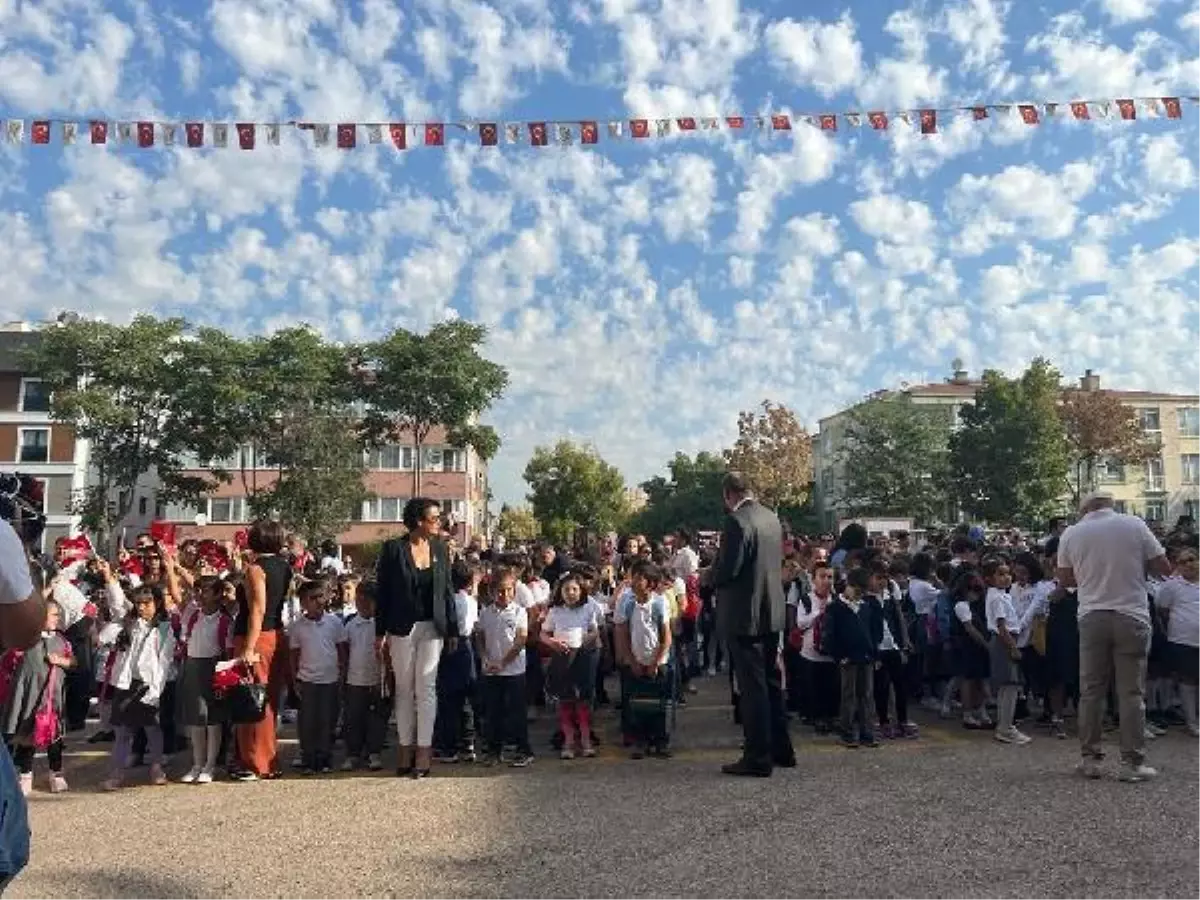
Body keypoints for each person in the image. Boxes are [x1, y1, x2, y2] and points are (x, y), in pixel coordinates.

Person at [1057, 490, 1170, 782]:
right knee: (1131, 692)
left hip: (1092, 614)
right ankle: (1132, 763)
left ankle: (1090, 759)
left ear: (1085, 510)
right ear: (1111, 505)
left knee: (1091, 690)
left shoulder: (1072, 532)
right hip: (1131, 612)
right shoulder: (1134, 524)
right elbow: (1163, 567)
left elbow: (1066, 579)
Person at [709, 472, 794, 777]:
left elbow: (729, 569)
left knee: (752, 688)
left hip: (745, 616)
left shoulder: (736, 521)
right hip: (772, 612)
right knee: (772, 682)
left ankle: (758, 756)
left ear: (728, 494)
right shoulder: (771, 517)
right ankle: (782, 749)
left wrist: (709, 576)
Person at [375, 498, 459, 779]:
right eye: (434, 518)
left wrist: (452, 629)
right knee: (404, 688)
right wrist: (380, 632)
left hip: (432, 627)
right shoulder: (393, 549)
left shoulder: (440, 549)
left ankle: (424, 749)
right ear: (419, 521)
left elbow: (447, 591)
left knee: (427, 687)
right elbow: (383, 593)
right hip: (401, 627)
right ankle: (404, 747)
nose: (439, 523)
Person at [231, 520, 291, 782]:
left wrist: (249, 646)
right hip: (276, 635)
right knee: (269, 700)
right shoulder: (285, 567)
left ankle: (255, 762)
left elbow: (257, 608)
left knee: (252, 699)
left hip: (256, 636)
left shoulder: (256, 569)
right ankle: (268, 759)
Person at [103, 585, 176, 791]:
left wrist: (155, 691)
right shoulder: (129, 623)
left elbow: (164, 662)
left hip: (148, 684)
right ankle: (117, 773)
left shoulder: (163, 628)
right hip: (126, 682)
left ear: (158, 603)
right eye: (139, 604)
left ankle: (156, 767)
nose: (142, 607)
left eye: (147, 603)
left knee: (152, 727)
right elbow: (117, 604)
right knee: (122, 730)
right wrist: (111, 580)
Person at [1, 600, 73, 795]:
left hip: (52, 698)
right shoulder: (25, 640)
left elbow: (73, 662)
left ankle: (56, 773)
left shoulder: (62, 641)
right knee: (27, 736)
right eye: (53, 614)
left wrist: (61, 661)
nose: (57, 618)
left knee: (54, 737)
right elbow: (9, 661)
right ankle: (25, 774)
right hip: (30, 697)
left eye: (58, 614)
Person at [176, 576, 232, 784]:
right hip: (193, 666)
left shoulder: (224, 620)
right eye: (198, 590)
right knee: (196, 718)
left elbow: (226, 650)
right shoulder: (193, 615)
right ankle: (197, 764)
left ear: (218, 594)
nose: (200, 595)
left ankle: (211, 764)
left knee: (213, 718)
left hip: (214, 667)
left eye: (206, 591)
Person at [288, 580, 348, 774]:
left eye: (320, 596)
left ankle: (324, 757)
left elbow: (341, 650)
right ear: (303, 602)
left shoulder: (334, 622)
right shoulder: (297, 627)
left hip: (330, 678)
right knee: (307, 721)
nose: (318, 601)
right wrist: (294, 679)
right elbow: (294, 655)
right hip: (307, 679)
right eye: (312, 598)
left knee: (327, 719)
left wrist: (343, 674)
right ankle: (308, 758)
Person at [477, 567, 532, 768]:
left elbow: (520, 640)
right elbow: (480, 636)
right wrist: (485, 658)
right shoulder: (486, 612)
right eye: (500, 590)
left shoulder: (519, 612)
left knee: (516, 711)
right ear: (492, 591)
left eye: (509, 590)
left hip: (513, 670)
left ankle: (522, 749)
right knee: (493, 712)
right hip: (492, 671)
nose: (505, 595)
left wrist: (504, 662)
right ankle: (494, 750)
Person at [342, 580, 387, 771]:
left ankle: (374, 752)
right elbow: (345, 651)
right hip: (355, 679)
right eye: (360, 600)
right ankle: (353, 753)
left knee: (378, 717)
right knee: (353, 717)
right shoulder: (350, 625)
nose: (363, 604)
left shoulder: (382, 625)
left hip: (378, 677)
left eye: (368, 601)